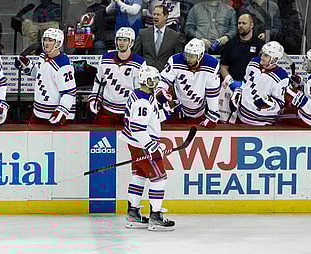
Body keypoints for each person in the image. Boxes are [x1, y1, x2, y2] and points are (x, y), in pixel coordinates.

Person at [120, 65, 175, 231]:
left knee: (139, 177)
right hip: (143, 145)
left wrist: (168, 111)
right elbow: (138, 129)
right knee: (159, 179)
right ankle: (156, 217)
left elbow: (151, 118)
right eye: (154, 79)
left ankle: (133, 214)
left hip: (137, 145)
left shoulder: (142, 95)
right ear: (146, 81)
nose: (156, 82)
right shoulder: (143, 101)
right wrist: (152, 147)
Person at [14, 28, 77, 126]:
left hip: (54, 115)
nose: (46, 43)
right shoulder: (43, 56)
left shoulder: (64, 65)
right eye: (45, 39)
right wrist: (27, 65)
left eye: (50, 40)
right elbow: (40, 75)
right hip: (38, 111)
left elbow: (70, 92)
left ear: (58, 43)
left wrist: (62, 111)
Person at [156, 38, 221, 128]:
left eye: (192, 56)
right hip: (178, 108)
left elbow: (212, 93)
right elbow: (164, 80)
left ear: (200, 55)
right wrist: (160, 90)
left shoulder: (212, 65)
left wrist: (213, 115)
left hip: (201, 110)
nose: (188, 59)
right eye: (187, 55)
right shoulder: (175, 60)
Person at [88, 27, 146, 126]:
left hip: (128, 111)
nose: (121, 43)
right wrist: (94, 98)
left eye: (125, 40)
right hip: (106, 109)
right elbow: (99, 82)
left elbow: (139, 90)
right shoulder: (105, 59)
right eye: (119, 39)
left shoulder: (139, 63)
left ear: (131, 42)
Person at [230, 41, 289, 126]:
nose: (262, 57)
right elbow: (245, 83)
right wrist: (238, 90)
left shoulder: (281, 77)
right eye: (262, 54)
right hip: (241, 114)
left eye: (266, 55)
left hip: (261, 121)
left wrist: (267, 102)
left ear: (275, 59)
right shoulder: (254, 62)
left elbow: (279, 104)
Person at [134, 5, 184, 72]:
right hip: (146, 73)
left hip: (165, 74)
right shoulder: (143, 33)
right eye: (154, 14)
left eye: (158, 15)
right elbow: (136, 56)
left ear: (165, 17)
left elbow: (177, 59)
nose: (155, 17)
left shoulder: (175, 36)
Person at [220, 13, 265, 88]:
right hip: (232, 86)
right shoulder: (230, 44)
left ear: (251, 25)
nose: (240, 25)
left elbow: (264, 68)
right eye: (239, 23)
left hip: (253, 87)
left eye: (244, 23)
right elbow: (224, 67)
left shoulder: (260, 45)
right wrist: (230, 81)